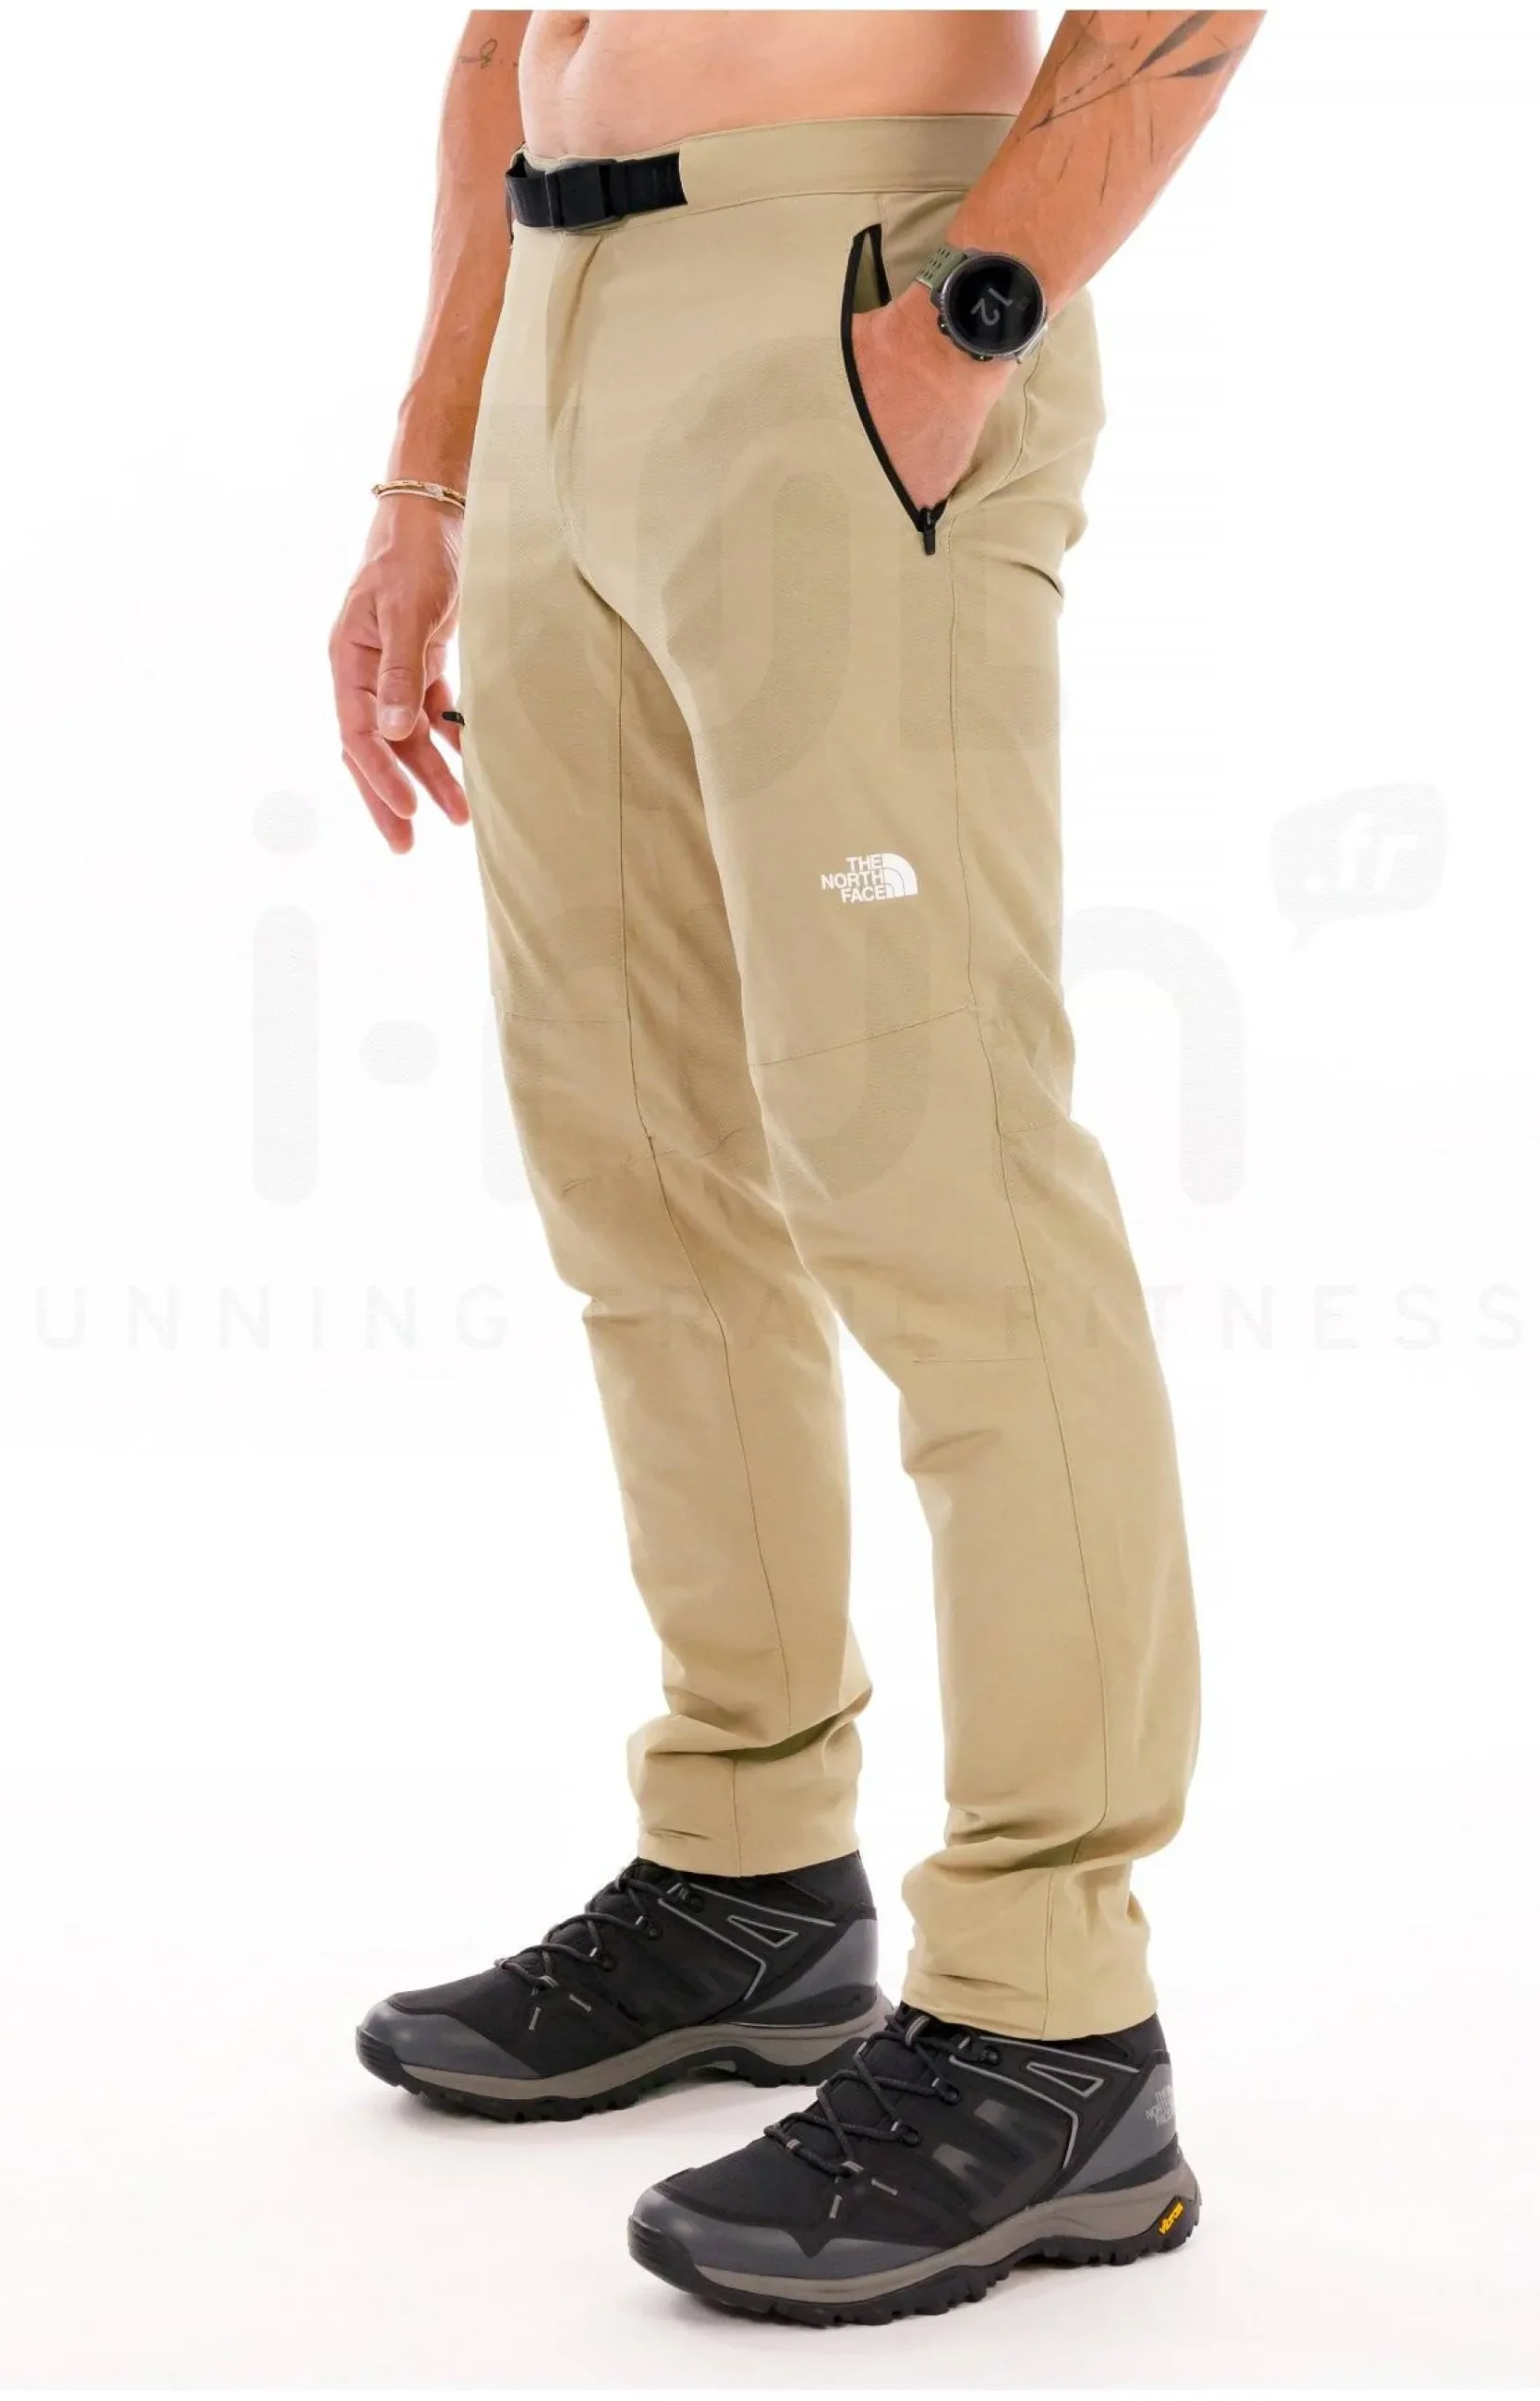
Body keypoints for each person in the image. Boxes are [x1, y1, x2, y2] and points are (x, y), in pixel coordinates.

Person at [333, 8, 1261, 2327]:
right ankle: (747, 1869)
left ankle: (1051, 2015)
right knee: (635, 1170)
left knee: (936, 1170)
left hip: (854, 292)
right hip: (561, 335)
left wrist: (972, 314)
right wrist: (431, 467)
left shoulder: (921, 321)